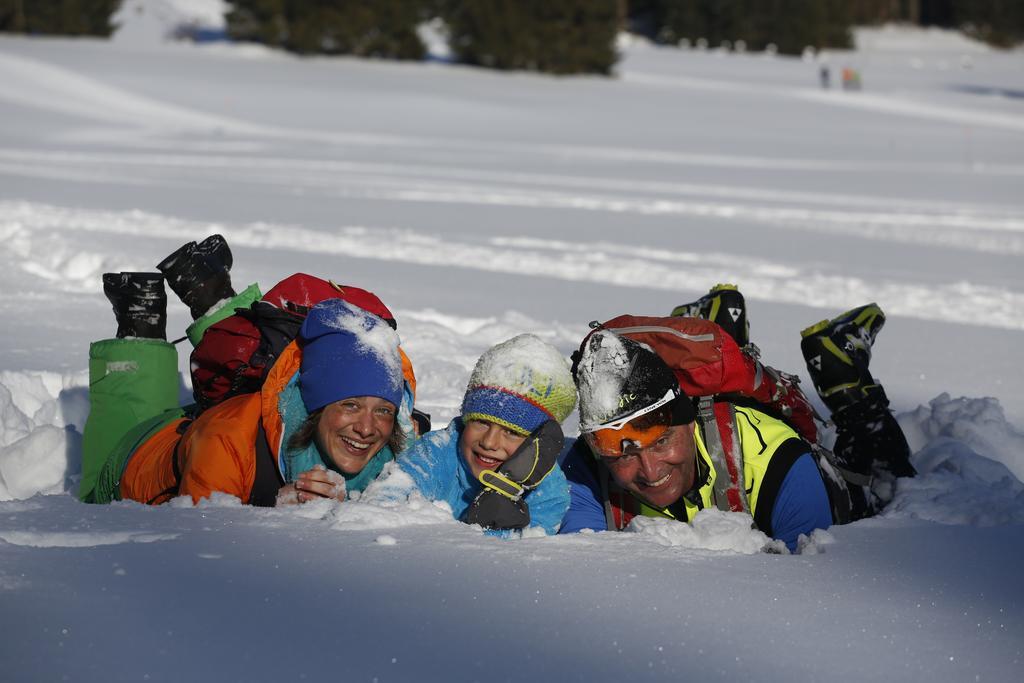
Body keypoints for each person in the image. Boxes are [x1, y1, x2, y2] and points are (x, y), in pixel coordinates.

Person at [560, 284, 915, 551]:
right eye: (623, 453)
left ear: (689, 421)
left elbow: (810, 589)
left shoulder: (777, 460)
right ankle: (721, 331)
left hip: (814, 473)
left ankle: (843, 374)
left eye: (663, 441)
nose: (651, 471)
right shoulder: (587, 470)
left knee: (886, 482)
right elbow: (591, 571)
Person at [81, 237, 416, 507]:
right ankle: (139, 324)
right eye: (350, 405)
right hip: (133, 460)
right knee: (106, 464)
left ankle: (209, 295)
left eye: (383, 409)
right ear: (316, 404)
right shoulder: (226, 440)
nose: (368, 428)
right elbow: (200, 553)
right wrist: (274, 513)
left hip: (213, 424)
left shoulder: (403, 437)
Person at [363, 334, 577, 535]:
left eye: (512, 432)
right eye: (481, 422)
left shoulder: (549, 493)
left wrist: (495, 526)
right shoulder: (435, 452)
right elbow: (382, 508)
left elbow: (524, 557)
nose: (489, 442)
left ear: (537, 443)